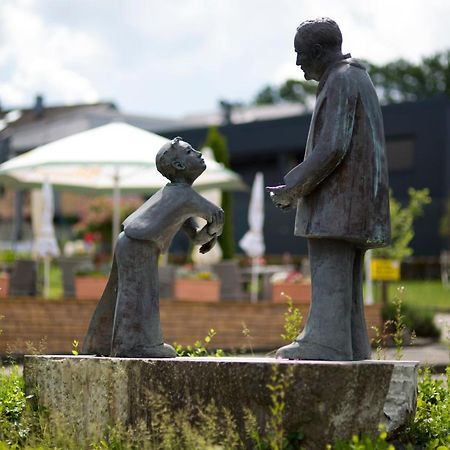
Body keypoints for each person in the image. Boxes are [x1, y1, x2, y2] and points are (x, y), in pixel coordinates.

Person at [267, 18, 390, 361]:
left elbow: (332, 147)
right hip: (357, 202)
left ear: (318, 51)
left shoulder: (341, 79)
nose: (297, 64)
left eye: (300, 54)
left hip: (339, 203)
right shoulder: (357, 77)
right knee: (347, 283)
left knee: (330, 267)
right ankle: (351, 345)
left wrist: (294, 185)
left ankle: (326, 341)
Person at [82, 137, 224, 358]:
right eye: (189, 151)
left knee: (120, 292)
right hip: (140, 244)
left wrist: (207, 236)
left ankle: (101, 345)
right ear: (179, 166)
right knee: (141, 294)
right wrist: (213, 233)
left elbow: (195, 237)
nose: (197, 152)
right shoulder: (185, 196)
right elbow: (218, 217)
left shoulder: (174, 194)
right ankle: (137, 346)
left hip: (130, 240)